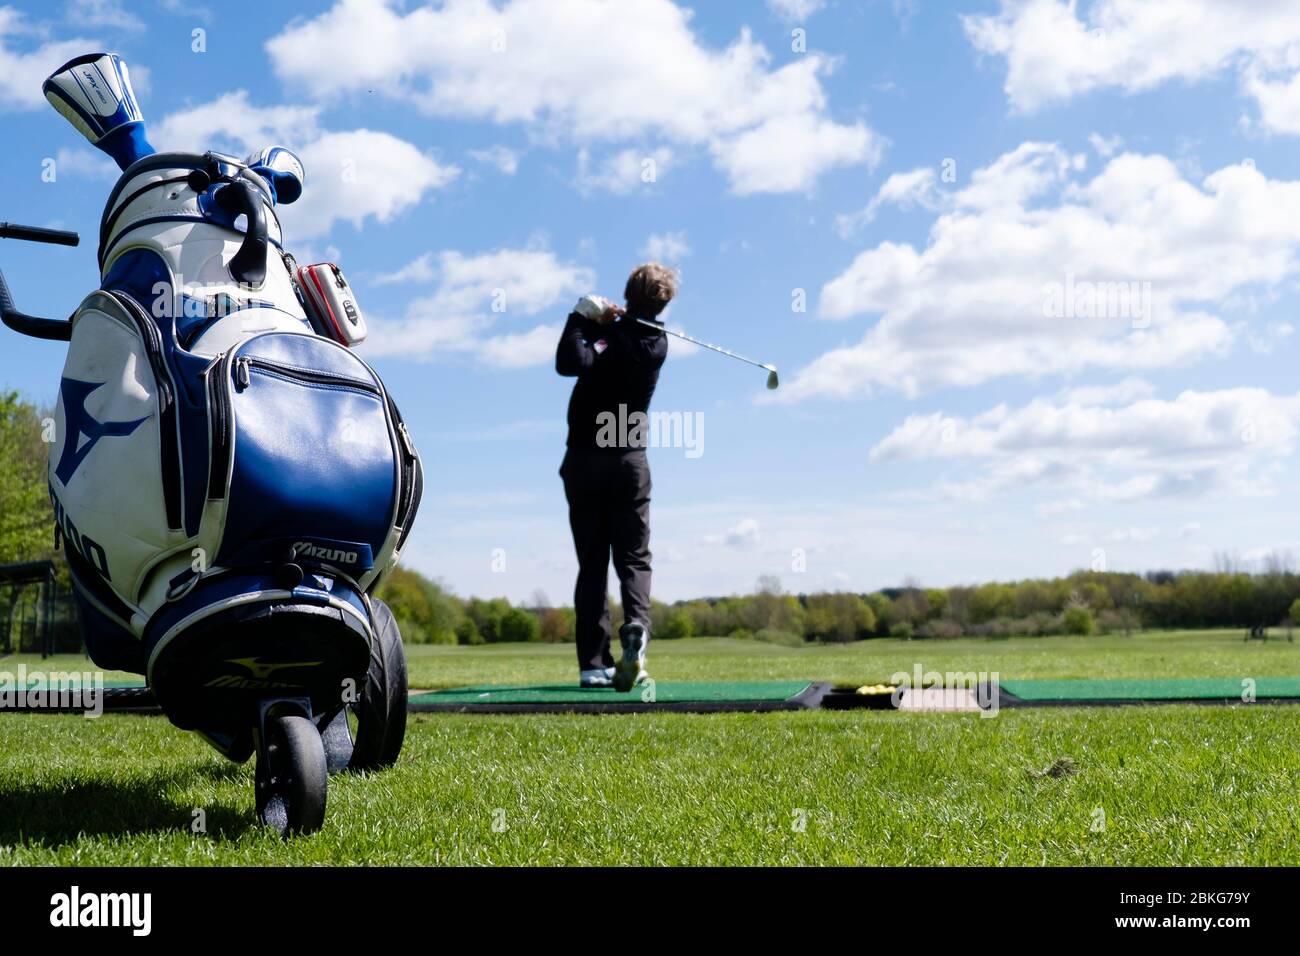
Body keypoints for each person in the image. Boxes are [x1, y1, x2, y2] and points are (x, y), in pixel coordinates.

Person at [556, 264, 675, 690]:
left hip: (586, 461)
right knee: (634, 558)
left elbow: (570, 362)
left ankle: (593, 664)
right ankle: (637, 626)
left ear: (628, 295)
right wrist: (612, 321)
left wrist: (580, 317)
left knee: (593, 564)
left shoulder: (609, 338)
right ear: (663, 303)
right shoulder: (657, 342)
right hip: (629, 463)